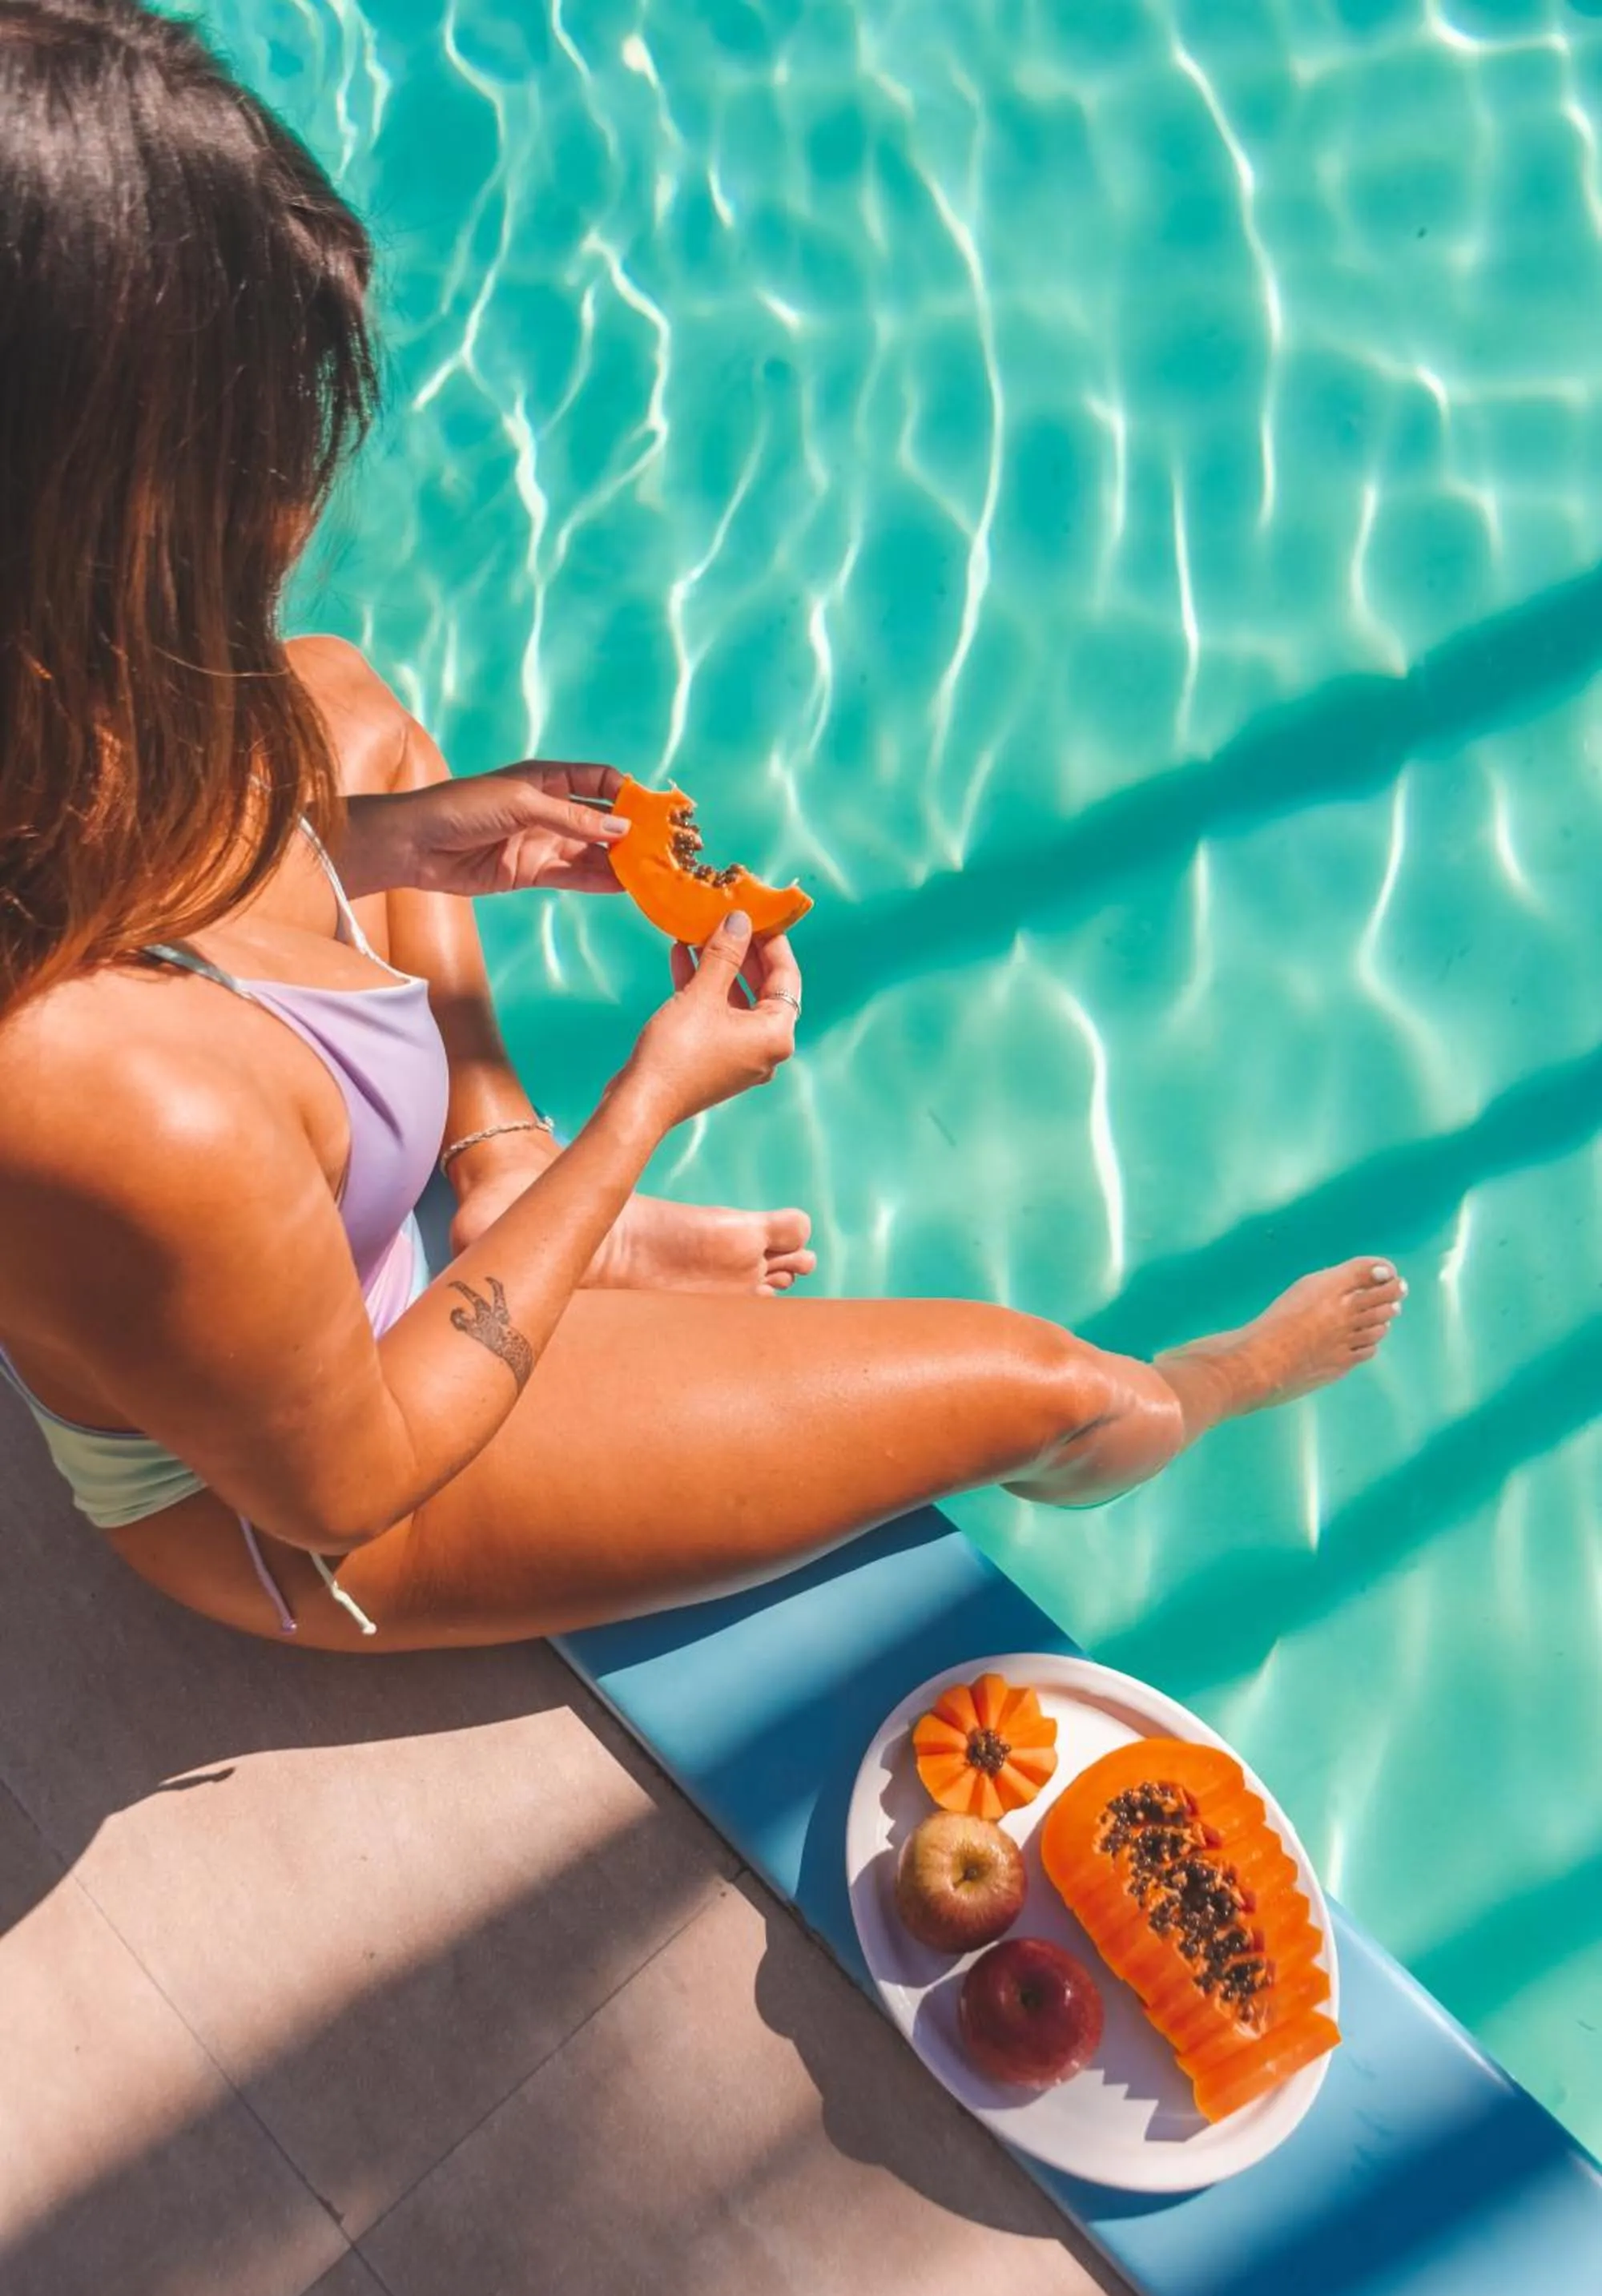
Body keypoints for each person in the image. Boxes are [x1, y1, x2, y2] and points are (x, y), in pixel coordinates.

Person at [0, 0, 1404, 1653]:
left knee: (339, 698)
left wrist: (387, 841)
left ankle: (499, 1179)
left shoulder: (60, 733)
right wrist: (645, 1107)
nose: (301, 494)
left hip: (271, 1251)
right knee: (1057, 1388)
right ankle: (1201, 1385)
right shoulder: (116, 1099)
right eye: (261, 439)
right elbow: (353, 1478)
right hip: (336, 1475)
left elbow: (178, 883)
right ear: (111, 504)